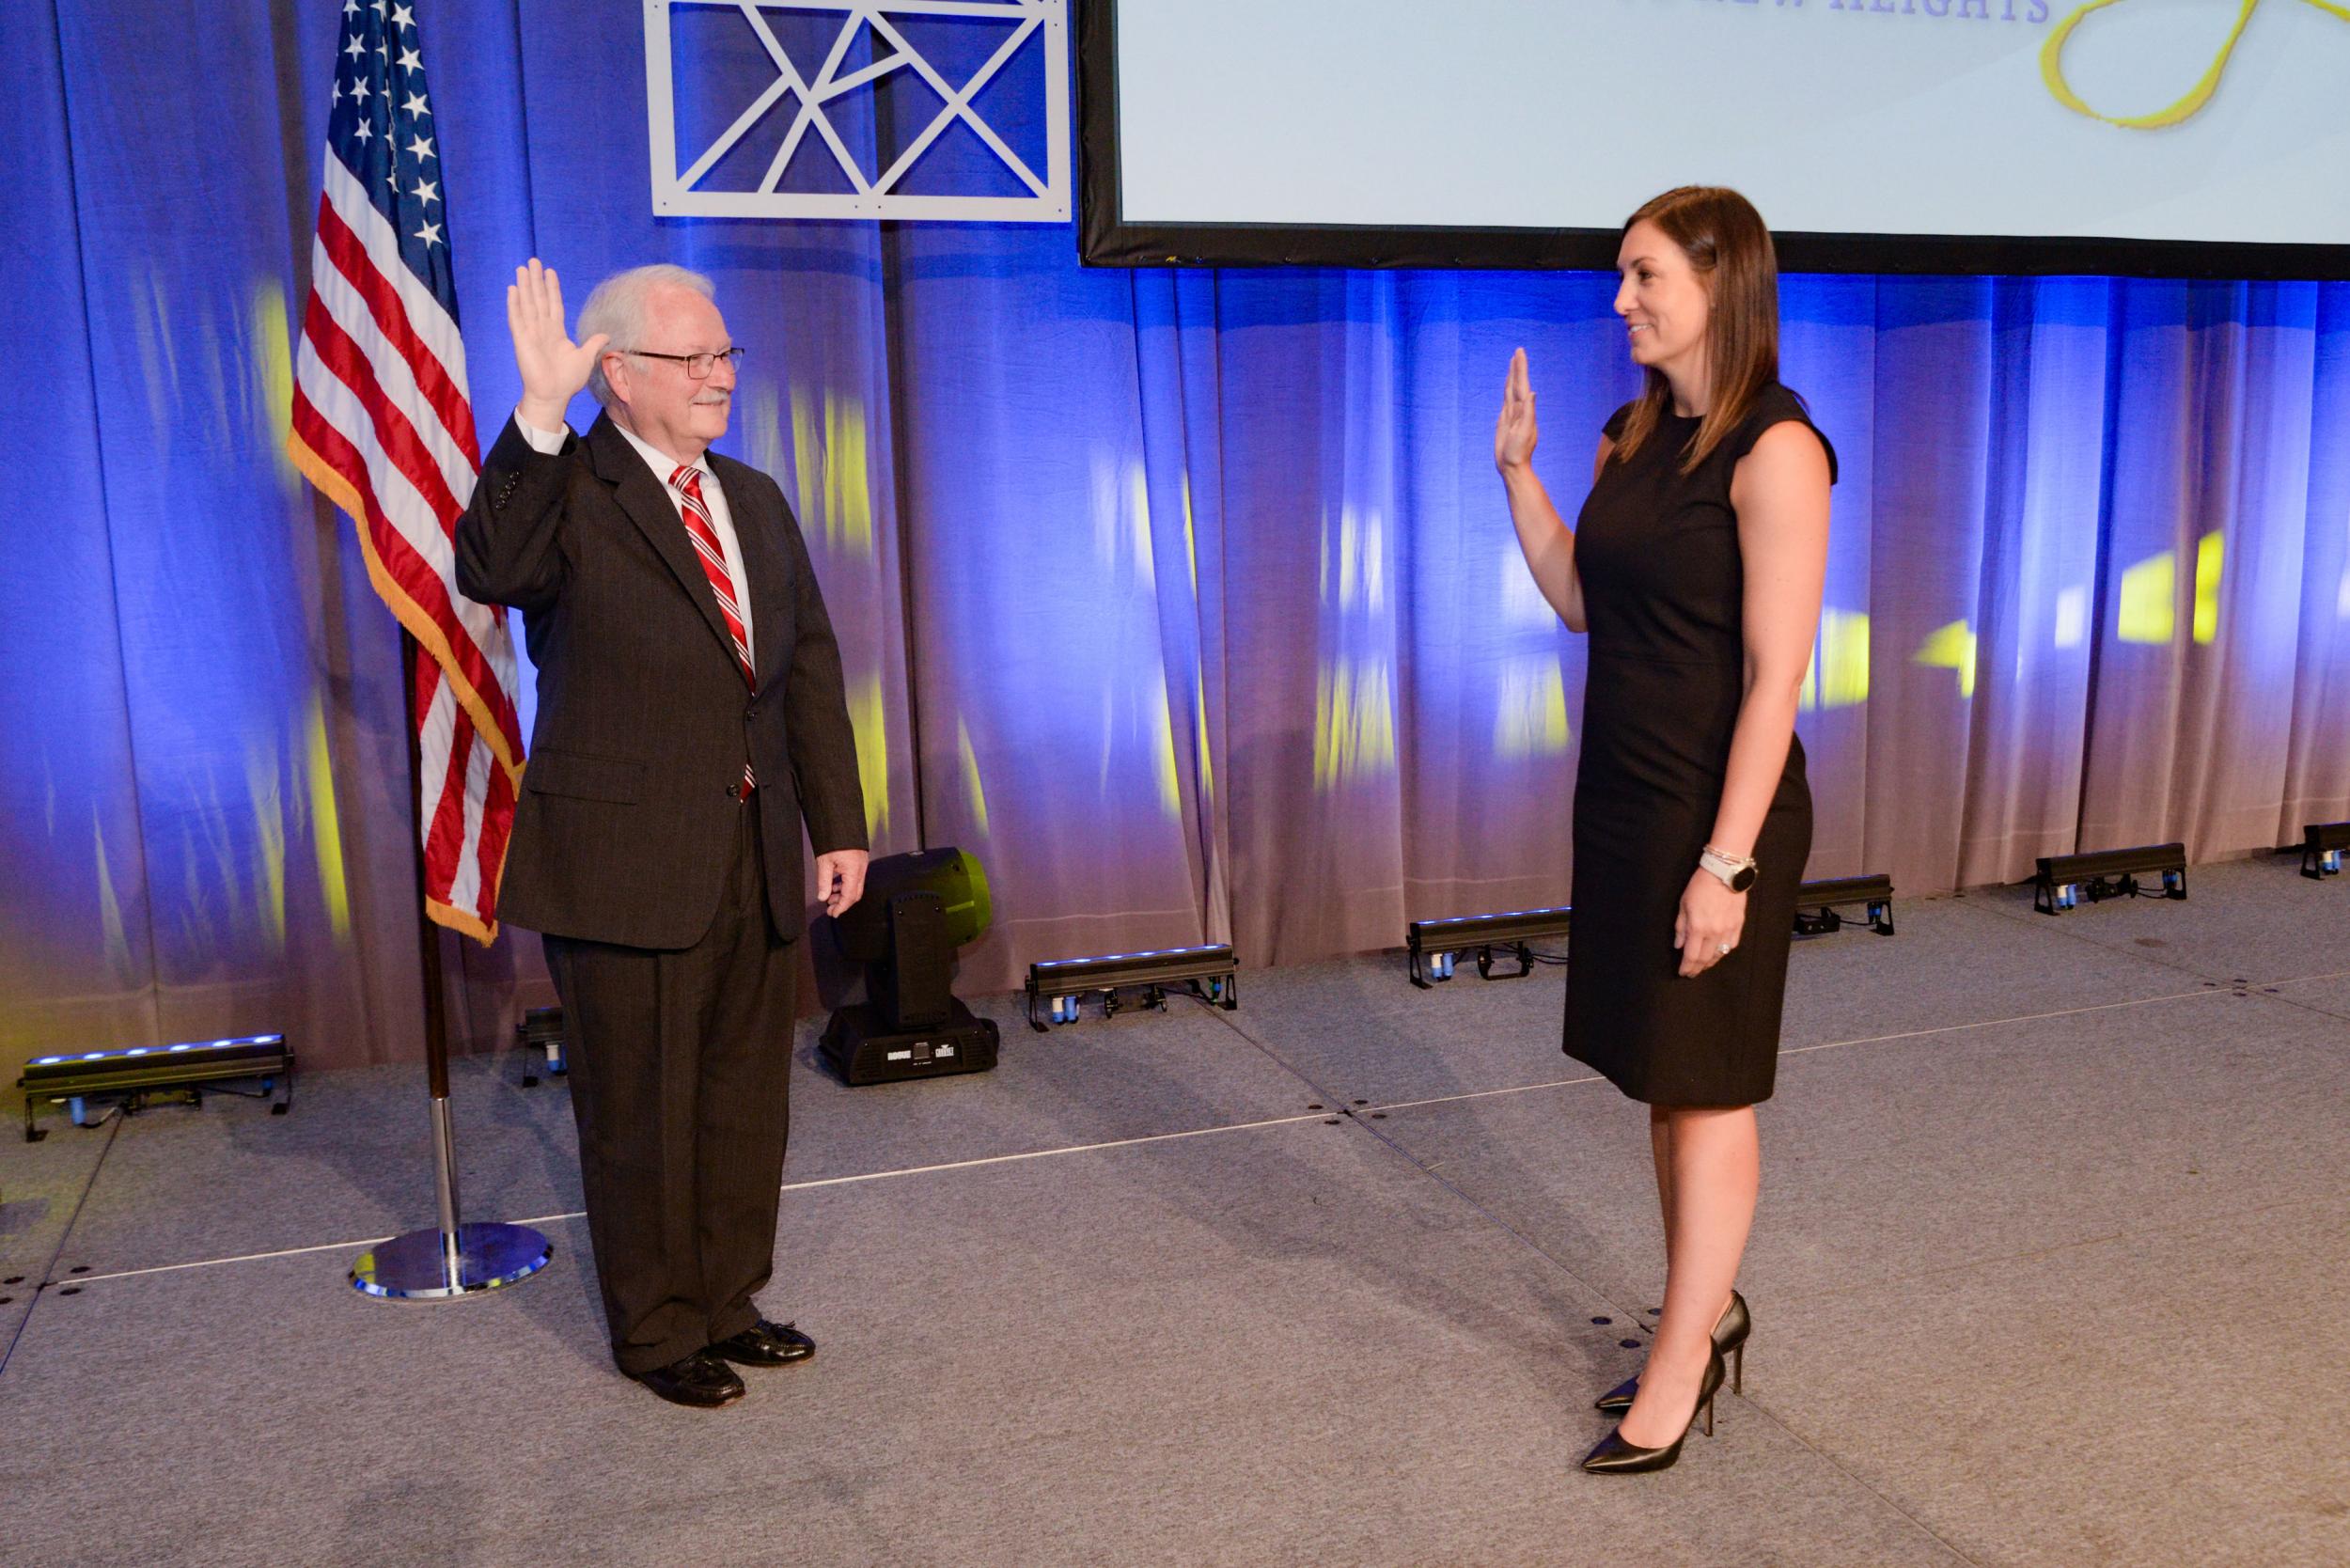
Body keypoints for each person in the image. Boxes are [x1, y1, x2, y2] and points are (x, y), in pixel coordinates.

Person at [458, 259, 870, 1409]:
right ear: (618, 375)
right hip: (626, 865)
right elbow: (489, 567)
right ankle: (654, 1332)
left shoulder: (754, 497)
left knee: (744, 1100)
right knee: (640, 1113)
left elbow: (804, 674)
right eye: (692, 359)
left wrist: (835, 824)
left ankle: (728, 1302)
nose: (719, 377)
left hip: (753, 854)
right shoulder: (568, 490)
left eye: (725, 354)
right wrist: (539, 414)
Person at [1494, 188, 1834, 1473]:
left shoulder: (1780, 452)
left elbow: (1773, 679)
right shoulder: (1631, 435)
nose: (1619, 300)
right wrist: (1521, 474)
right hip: (1626, 805)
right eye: (1619, 278)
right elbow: (1583, 599)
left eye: (1641, 278)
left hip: (1718, 812)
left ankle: (1686, 1356)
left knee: (1710, 1090)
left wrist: (1728, 863)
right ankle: (1705, 1308)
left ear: (1718, 284)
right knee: (1661, 1083)